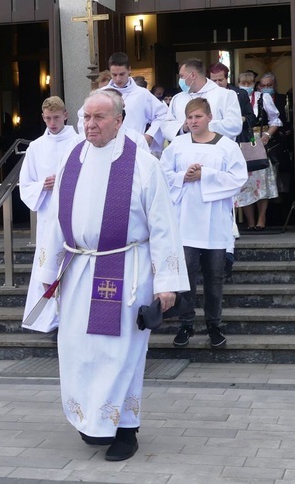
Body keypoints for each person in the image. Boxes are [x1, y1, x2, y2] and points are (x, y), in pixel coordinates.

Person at [37, 90, 189, 461]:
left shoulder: (141, 164)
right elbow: (57, 219)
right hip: (78, 270)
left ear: (119, 121)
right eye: (86, 117)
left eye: (100, 117)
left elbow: (164, 226)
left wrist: (167, 282)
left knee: (118, 354)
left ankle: (125, 429)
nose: (90, 124)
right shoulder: (73, 157)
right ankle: (93, 421)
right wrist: (47, 268)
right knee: (79, 350)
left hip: (124, 270)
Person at [160, 98, 247, 349]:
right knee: (185, 277)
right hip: (185, 222)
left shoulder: (226, 146)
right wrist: (183, 177)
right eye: (189, 118)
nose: (193, 122)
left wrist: (205, 175)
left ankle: (214, 325)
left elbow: (238, 178)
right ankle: (185, 324)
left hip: (215, 223)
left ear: (209, 117)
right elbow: (162, 174)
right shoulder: (177, 145)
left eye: (197, 117)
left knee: (214, 277)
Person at [19, 96, 79, 334]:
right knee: (47, 264)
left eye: (56, 117)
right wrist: (42, 185)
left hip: (75, 213)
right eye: (47, 118)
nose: (52, 123)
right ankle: (48, 318)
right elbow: (25, 185)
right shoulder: (36, 147)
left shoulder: (79, 142)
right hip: (47, 215)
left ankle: (72, 317)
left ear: (65, 114)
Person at [78, 52, 167, 153]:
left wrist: (150, 135)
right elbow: (83, 116)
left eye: (122, 74)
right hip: (105, 147)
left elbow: (163, 114)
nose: (118, 79)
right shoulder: (100, 94)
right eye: (114, 75)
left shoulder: (142, 94)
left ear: (129, 69)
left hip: (134, 146)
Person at [234, 71, 283, 231]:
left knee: (261, 181)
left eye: (249, 83)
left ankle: (261, 218)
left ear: (255, 84)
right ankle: (250, 221)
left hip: (259, 140)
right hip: (241, 141)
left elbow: (275, 119)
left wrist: (268, 135)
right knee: (245, 183)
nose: (246, 86)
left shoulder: (263, 98)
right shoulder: (233, 98)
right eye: (243, 83)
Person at [161, 58, 242, 142]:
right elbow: (166, 126)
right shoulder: (177, 98)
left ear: (193, 75)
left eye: (182, 76)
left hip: (216, 149)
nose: (180, 80)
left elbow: (234, 125)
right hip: (185, 150)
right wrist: (183, 128)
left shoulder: (225, 95)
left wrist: (202, 126)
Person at [208, 62, 256, 143]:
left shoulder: (241, 94)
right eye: (214, 80)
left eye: (220, 80)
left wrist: (241, 119)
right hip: (213, 139)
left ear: (227, 78)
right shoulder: (205, 95)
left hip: (237, 139)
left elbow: (252, 118)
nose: (217, 83)